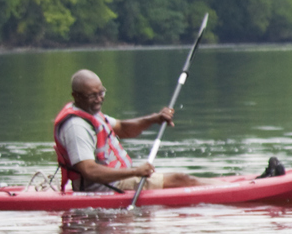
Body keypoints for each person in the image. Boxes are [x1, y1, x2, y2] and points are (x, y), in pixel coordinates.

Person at [53, 69, 203, 192]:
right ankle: (218, 192)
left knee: (183, 179)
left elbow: (123, 129)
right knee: (181, 179)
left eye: (101, 93)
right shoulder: (76, 127)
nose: (99, 99)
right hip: (105, 187)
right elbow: (89, 170)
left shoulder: (91, 113)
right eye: (92, 95)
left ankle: (215, 186)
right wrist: (135, 171)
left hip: (116, 180)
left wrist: (154, 119)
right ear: (76, 96)